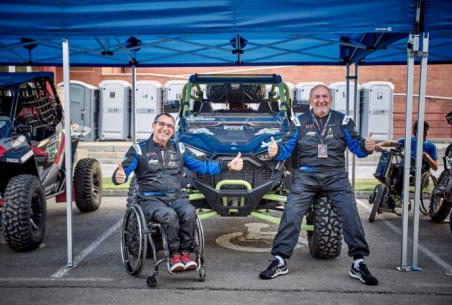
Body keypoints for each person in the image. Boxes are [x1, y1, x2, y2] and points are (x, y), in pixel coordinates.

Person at [259, 85, 379, 286]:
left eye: (324, 96)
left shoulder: (343, 121)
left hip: (336, 176)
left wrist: (366, 147)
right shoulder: (299, 122)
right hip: (307, 177)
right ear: (310, 100)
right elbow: (286, 148)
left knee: (350, 213)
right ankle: (280, 260)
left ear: (330, 99)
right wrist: (275, 150)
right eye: (317, 97)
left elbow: (357, 148)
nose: (321, 100)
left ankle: (358, 262)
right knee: (291, 213)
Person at [113, 113, 243, 273]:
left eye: (170, 126)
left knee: (189, 212)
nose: (165, 128)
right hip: (150, 199)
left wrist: (228, 166)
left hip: (175, 197)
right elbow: (122, 173)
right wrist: (119, 177)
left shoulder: (180, 149)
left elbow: (203, 166)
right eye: (162, 124)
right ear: (153, 126)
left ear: (173, 131)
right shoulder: (138, 150)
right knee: (169, 216)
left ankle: (186, 254)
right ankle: (174, 255)